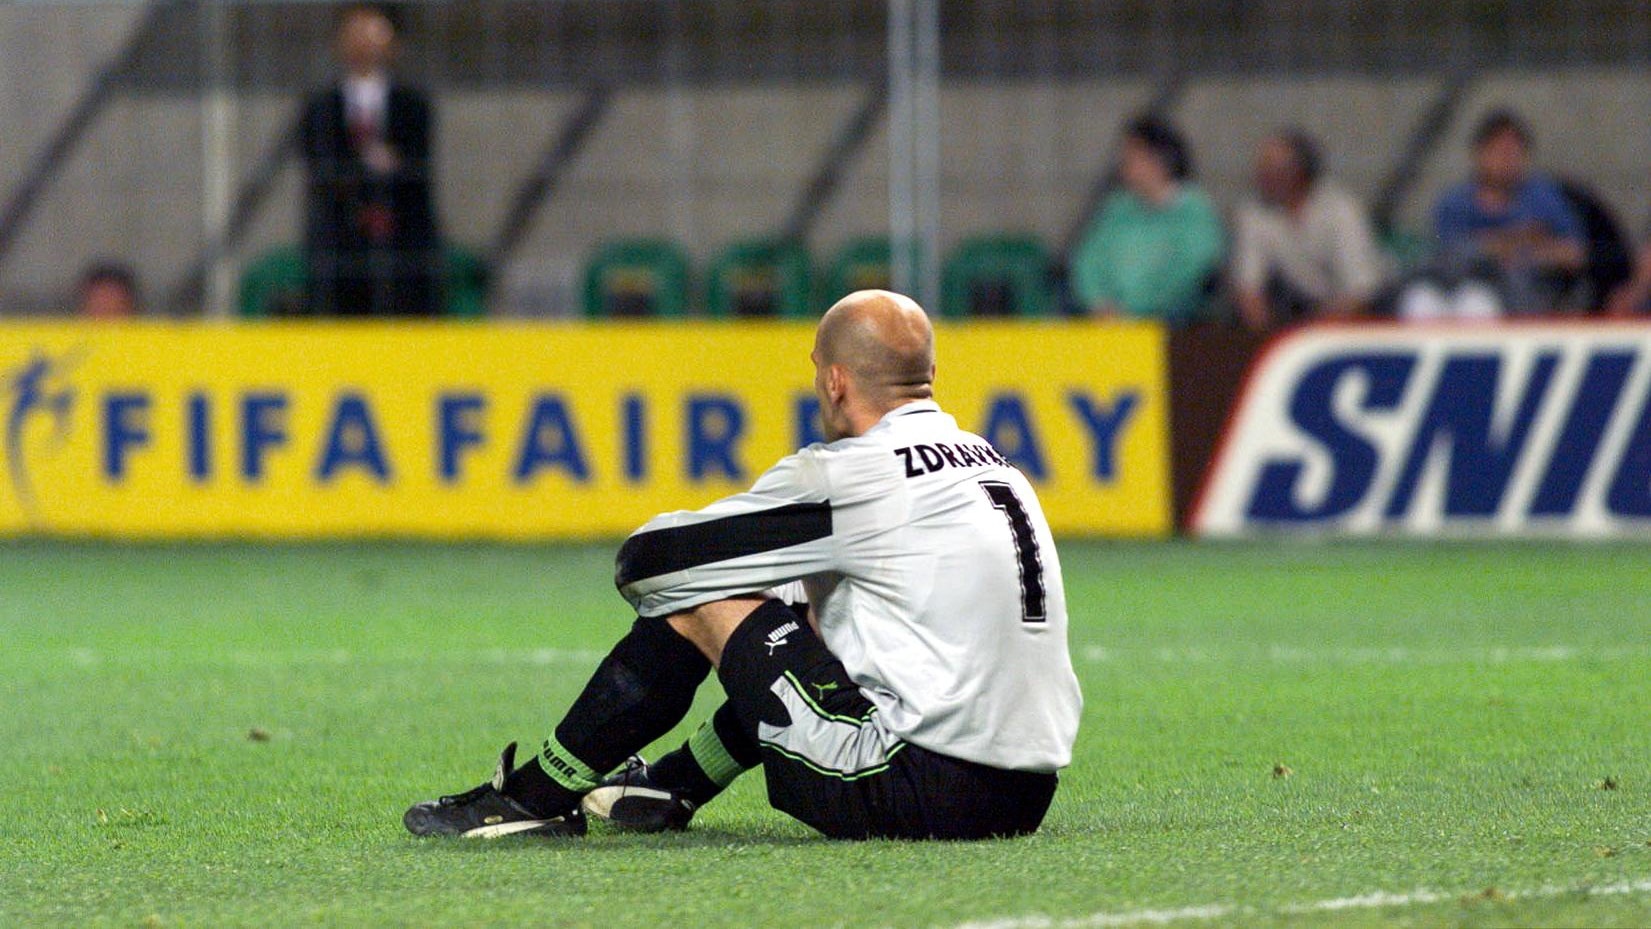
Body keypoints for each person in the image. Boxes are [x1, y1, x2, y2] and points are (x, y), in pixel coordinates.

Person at [403, 290, 1082, 841]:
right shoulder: (992, 461)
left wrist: (747, 588)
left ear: (833, 379)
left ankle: (535, 798)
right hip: (1026, 790)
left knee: (705, 599)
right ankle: (671, 783)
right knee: (811, 605)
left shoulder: (853, 475)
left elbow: (649, 563)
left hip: (924, 790)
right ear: (929, 377)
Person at [300, 3, 442, 317]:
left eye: (373, 30)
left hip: (401, 251)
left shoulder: (412, 106)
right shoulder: (320, 108)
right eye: (354, 30)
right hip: (340, 251)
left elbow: (414, 170)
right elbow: (321, 171)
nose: (363, 40)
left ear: (394, 42)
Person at [1069, 115, 1225, 325]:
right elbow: (1088, 260)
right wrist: (1098, 302)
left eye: (1133, 156)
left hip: (1170, 324)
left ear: (1159, 159)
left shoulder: (1195, 212)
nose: (1124, 164)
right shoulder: (1117, 208)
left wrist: (1133, 310)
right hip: (1106, 319)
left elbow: (1190, 270)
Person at [1431, 109, 1584, 315]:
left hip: (1529, 297)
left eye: (1513, 153)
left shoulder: (1542, 196)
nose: (1506, 161)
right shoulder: (1455, 203)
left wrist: (1524, 253)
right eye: (1499, 152)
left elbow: (1574, 253)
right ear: (1479, 154)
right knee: (1458, 301)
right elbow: (1447, 257)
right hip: (1464, 294)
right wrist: (1514, 240)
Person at [1231, 130, 1387, 330]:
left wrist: (1312, 334)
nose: (1262, 176)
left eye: (1273, 168)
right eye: (1262, 168)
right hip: (1301, 312)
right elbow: (1248, 287)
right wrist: (1263, 335)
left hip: (1365, 313)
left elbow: (1361, 291)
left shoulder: (1341, 209)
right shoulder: (1254, 212)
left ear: (1300, 171)